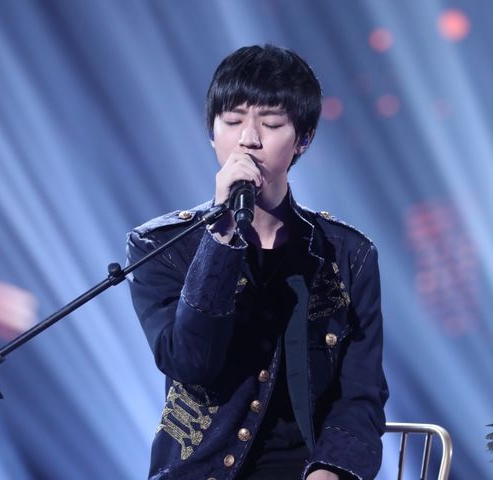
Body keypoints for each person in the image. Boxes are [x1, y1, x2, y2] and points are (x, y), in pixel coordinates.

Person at [127, 44, 388, 480]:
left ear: (304, 138)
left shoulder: (348, 255)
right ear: (212, 133)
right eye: (232, 121)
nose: (249, 138)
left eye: (271, 123)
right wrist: (221, 237)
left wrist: (332, 470)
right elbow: (190, 363)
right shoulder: (163, 247)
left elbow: (361, 394)